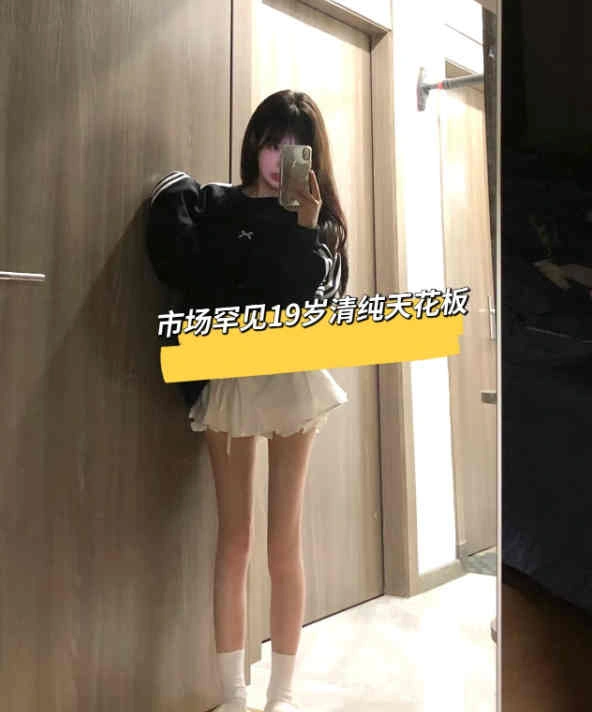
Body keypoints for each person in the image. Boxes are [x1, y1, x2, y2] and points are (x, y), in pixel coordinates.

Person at [146, 90, 349, 712]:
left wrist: (305, 227)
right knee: (234, 538)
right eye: (271, 143)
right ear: (254, 144)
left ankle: (281, 695)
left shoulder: (319, 223)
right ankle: (233, 694)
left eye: (295, 147)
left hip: (290, 377)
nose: (280, 158)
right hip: (231, 376)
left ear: (311, 156)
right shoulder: (218, 206)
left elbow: (305, 300)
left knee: (283, 540)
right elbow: (196, 271)